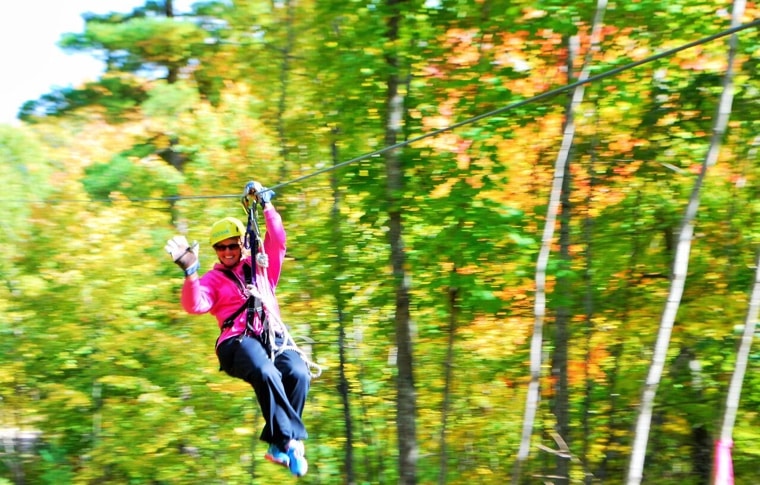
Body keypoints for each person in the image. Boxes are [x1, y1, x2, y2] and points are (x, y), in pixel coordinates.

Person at [165, 181, 311, 478]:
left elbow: (278, 239)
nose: (228, 251)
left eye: (232, 245)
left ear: (242, 243)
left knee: (298, 373)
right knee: (267, 373)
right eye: (221, 248)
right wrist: (190, 273)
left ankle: (276, 445)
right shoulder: (213, 280)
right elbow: (195, 304)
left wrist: (267, 205)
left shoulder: (261, 267)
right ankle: (289, 442)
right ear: (216, 251)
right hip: (237, 344)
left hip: (271, 338)